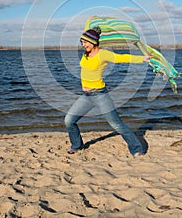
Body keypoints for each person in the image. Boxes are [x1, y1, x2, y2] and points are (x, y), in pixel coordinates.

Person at [64, 26, 152, 157]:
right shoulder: (86, 54)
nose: (83, 45)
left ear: (93, 42)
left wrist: (143, 59)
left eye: (85, 42)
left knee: (116, 124)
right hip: (86, 96)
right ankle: (77, 145)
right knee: (69, 120)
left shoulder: (103, 54)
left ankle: (137, 149)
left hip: (99, 95)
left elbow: (121, 58)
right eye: (82, 42)